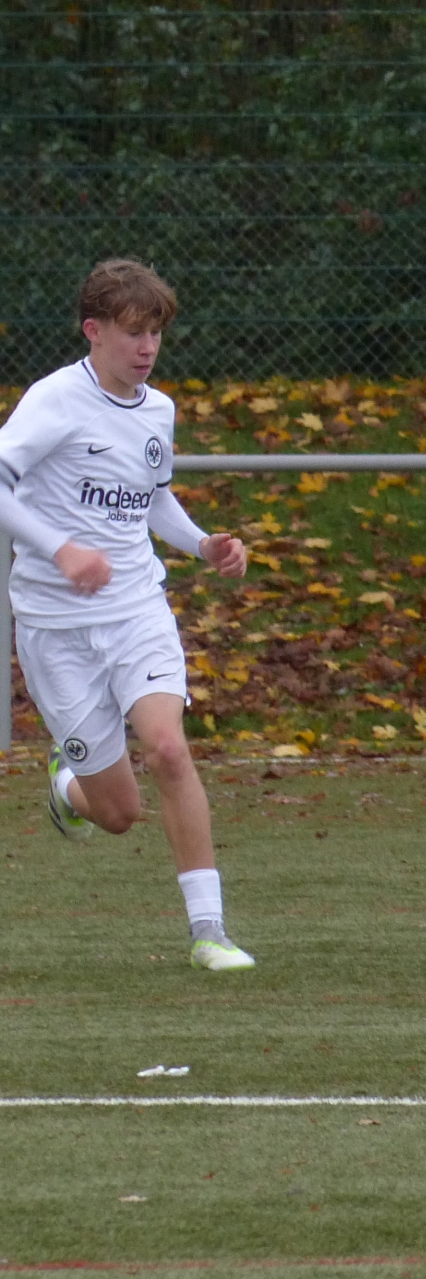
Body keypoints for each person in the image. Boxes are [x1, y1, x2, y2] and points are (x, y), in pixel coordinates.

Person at [0, 260, 255, 970]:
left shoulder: (157, 409)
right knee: (118, 814)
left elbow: (152, 496)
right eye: (133, 333)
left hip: (137, 606)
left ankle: (210, 931)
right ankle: (68, 786)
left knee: (168, 749)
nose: (147, 349)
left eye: (156, 334)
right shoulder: (54, 400)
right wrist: (60, 550)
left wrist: (202, 544)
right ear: (94, 330)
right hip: (54, 626)